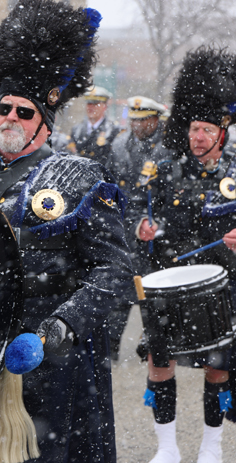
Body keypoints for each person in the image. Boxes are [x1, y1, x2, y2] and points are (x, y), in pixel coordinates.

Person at [0, 1, 132, 463]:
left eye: (23, 111)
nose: (9, 118)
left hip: (44, 358)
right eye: (4, 109)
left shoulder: (79, 175)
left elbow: (115, 269)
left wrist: (60, 329)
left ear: (44, 120)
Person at [136, 46, 236, 463]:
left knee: (218, 366)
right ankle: (168, 449)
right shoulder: (163, 166)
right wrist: (141, 226)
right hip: (167, 280)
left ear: (223, 130)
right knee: (161, 363)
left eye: (206, 130)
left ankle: (211, 449)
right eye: (193, 128)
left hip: (222, 283)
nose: (197, 137)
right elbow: (138, 211)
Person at [105, 96, 174, 360]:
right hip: (125, 229)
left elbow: (172, 196)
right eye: (133, 119)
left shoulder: (168, 148)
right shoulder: (119, 144)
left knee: (154, 298)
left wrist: (156, 222)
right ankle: (110, 352)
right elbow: (111, 190)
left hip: (156, 233)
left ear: (156, 120)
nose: (136, 125)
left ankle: (152, 349)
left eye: (143, 120)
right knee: (119, 297)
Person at [68, 85, 121, 165]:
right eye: (89, 103)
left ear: (104, 106)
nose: (91, 107)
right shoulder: (77, 130)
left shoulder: (114, 130)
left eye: (95, 103)